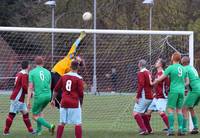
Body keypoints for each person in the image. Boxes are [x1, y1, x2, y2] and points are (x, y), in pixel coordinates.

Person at [153, 52, 188, 136]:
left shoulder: (171, 68)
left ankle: (171, 129)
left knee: (170, 110)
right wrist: (182, 86)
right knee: (179, 110)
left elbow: (161, 78)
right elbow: (187, 81)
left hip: (173, 91)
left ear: (173, 58)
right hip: (181, 91)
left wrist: (155, 81)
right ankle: (180, 129)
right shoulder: (183, 68)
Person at [51, 31, 86, 108]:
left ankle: (59, 106)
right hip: (53, 72)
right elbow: (75, 45)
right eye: (79, 57)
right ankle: (58, 104)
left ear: (78, 63)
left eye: (79, 60)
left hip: (59, 75)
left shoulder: (73, 67)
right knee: (52, 90)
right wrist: (80, 37)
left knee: (58, 92)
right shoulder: (70, 55)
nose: (78, 58)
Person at [51, 60, 84, 138]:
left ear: (70, 67)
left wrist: (53, 99)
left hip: (64, 102)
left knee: (62, 122)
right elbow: (81, 94)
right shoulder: (79, 78)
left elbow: (56, 89)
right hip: (74, 102)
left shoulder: (64, 76)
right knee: (77, 123)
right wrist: (81, 104)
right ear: (78, 67)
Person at [3, 61, 35, 135]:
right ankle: (6, 131)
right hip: (17, 97)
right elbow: (24, 86)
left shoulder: (19, 73)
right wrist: (30, 93)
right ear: (28, 66)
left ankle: (31, 131)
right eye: (29, 65)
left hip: (18, 97)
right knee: (12, 114)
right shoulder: (25, 74)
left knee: (25, 113)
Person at [27, 56, 55, 135]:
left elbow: (30, 88)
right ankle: (39, 131)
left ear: (35, 63)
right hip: (48, 95)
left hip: (40, 96)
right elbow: (50, 86)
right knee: (39, 112)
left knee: (34, 116)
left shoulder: (32, 72)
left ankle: (50, 126)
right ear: (43, 63)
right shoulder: (48, 72)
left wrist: (28, 101)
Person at [145, 58, 170, 132]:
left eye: (157, 62)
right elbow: (156, 85)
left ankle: (170, 128)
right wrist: (155, 92)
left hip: (162, 97)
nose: (156, 62)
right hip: (156, 97)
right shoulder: (157, 73)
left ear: (161, 64)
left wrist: (165, 92)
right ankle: (148, 129)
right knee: (148, 112)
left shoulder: (163, 73)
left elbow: (168, 84)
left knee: (161, 112)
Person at [132, 59, 153, 135]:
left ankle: (144, 130)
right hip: (150, 96)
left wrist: (137, 96)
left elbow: (141, 84)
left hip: (145, 96)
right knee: (143, 113)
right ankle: (149, 129)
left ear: (139, 64)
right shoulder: (149, 72)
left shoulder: (141, 73)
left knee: (135, 113)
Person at [181, 56, 200, 134]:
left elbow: (187, 82)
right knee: (190, 108)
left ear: (182, 62)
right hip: (198, 88)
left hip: (194, 90)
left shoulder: (185, 69)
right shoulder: (192, 68)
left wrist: (180, 86)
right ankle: (195, 127)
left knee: (184, 108)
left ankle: (183, 129)